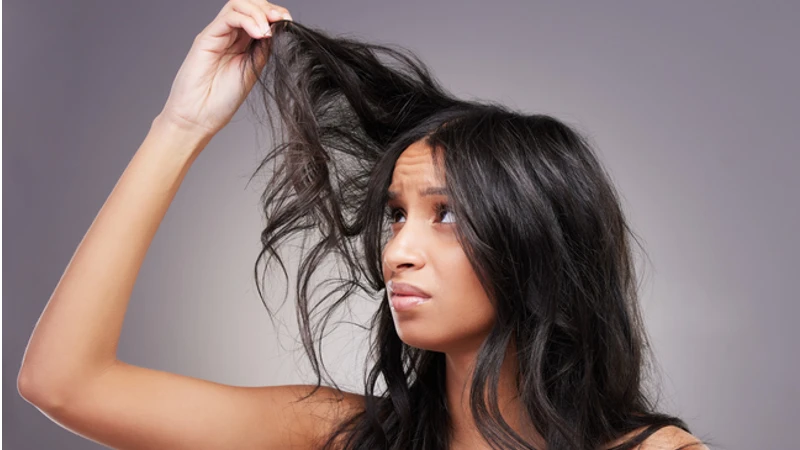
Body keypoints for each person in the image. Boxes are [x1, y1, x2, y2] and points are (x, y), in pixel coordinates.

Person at [17, 1, 708, 449]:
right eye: (397, 216)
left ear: (538, 239)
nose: (398, 253)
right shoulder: (339, 435)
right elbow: (64, 383)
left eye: (448, 216)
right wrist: (181, 126)